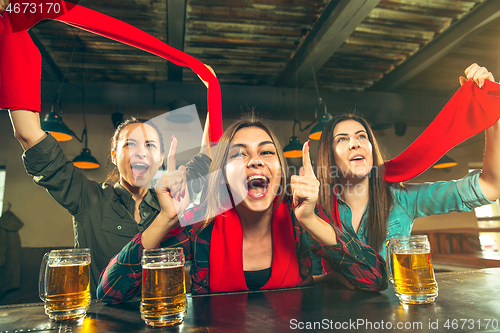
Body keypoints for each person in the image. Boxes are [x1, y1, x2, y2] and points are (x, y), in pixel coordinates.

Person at [0, 7, 211, 294]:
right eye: (129, 144)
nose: (140, 152)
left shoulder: (173, 199)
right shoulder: (88, 198)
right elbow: (28, 134)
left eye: (150, 145)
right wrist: (12, 30)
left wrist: (212, 86)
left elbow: (207, 156)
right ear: (114, 155)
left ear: (161, 157)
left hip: (162, 318)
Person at [97, 115, 388, 302]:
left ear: (280, 170)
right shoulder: (202, 226)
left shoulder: (301, 218)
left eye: (266, 152)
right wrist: (166, 218)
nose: (255, 161)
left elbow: (375, 277)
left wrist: (311, 220)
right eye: (239, 154)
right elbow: (109, 292)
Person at [312, 64, 500, 277]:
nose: (355, 143)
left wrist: (492, 113)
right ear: (329, 156)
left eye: (362, 136)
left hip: (396, 307)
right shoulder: (316, 210)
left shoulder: (401, 198)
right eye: (342, 139)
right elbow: (313, 280)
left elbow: (491, 187)